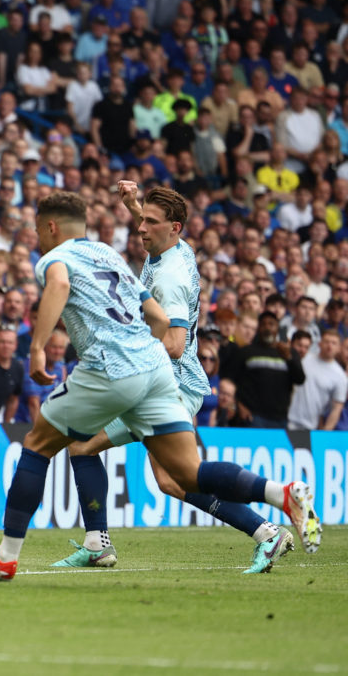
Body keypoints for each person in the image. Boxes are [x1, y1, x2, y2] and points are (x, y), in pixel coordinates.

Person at [0, 192, 320, 582]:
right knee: (181, 474)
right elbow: (152, 310)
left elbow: (166, 335)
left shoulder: (68, 261)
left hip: (131, 369)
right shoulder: (124, 254)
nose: (141, 228)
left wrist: (36, 349)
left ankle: (9, 554)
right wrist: (138, 211)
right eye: (141, 221)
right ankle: (281, 496)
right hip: (156, 373)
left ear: (51, 228)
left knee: (39, 444)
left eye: (37, 229)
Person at [55, 184, 292, 574]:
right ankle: (265, 531)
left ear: (175, 227)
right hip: (169, 384)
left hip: (169, 385)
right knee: (169, 480)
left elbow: (176, 344)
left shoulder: (170, 279)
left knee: (92, 449)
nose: (141, 229)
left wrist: (121, 353)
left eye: (149, 222)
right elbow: (155, 231)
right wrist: (133, 205)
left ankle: (268, 523)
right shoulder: (175, 248)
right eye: (142, 220)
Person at [287, 330, 347, 430]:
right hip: (287, 420)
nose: (329, 346)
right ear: (319, 344)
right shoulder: (304, 358)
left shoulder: (340, 376)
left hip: (311, 427)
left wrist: (325, 432)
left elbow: (337, 408)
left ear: (339, 348)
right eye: (327, 342)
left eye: (334, 343)